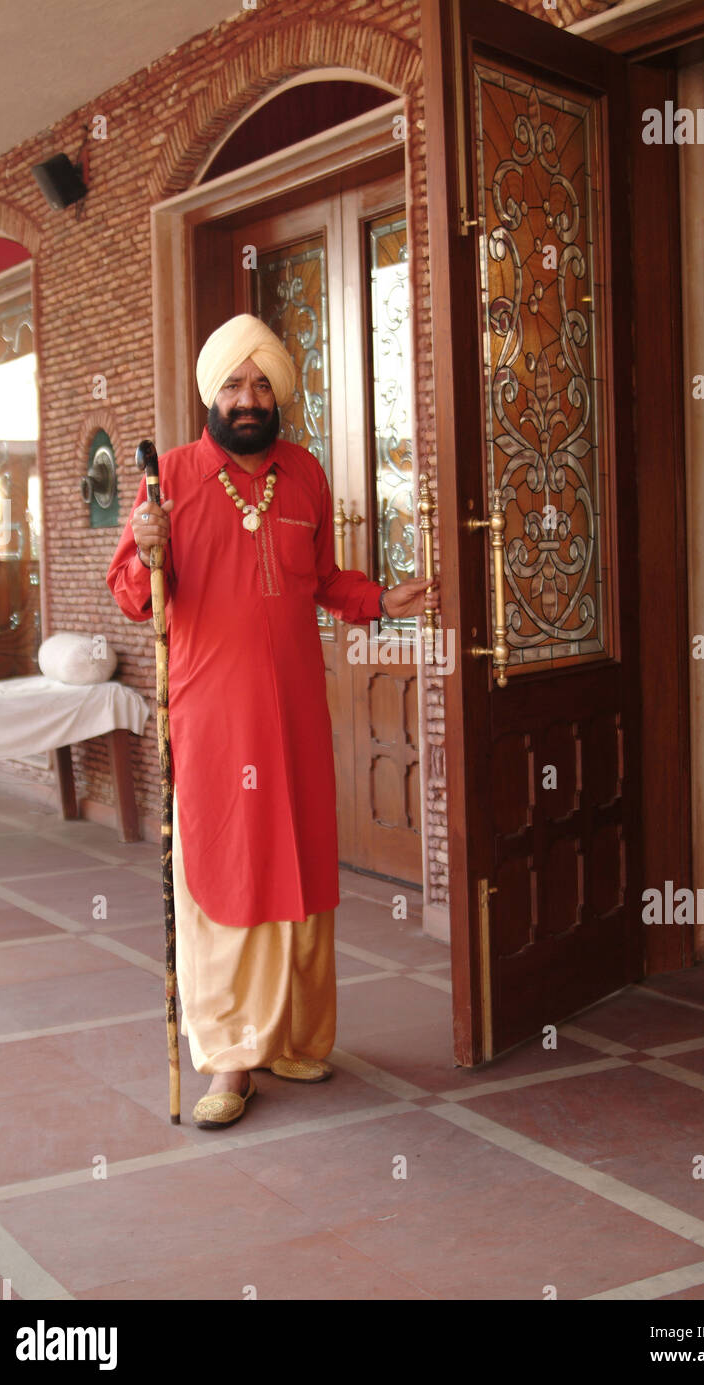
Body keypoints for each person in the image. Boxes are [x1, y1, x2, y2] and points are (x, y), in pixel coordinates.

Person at [106, 314, 439, 1128]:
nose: (247, 399)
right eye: (232, 384)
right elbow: (130, 593)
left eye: (261, 385)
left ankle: (293, 1035)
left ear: (279, 395)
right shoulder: (171, 479)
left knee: (299, 861)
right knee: (229, 868)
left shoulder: (306, 474)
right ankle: (229, 1057)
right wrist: (149, 546)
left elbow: (322, 578)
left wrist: (379, 601)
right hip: (213, 717)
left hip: (295, 712)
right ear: (209, 394)